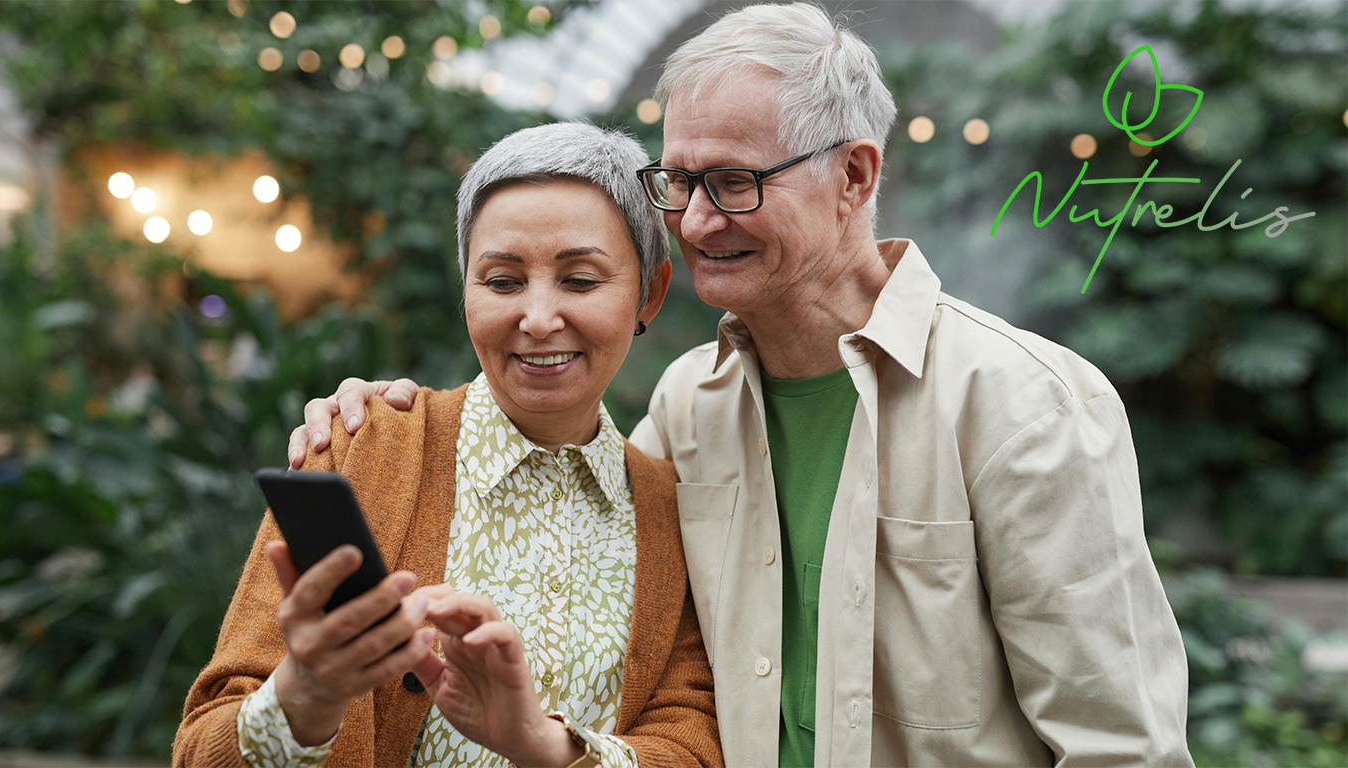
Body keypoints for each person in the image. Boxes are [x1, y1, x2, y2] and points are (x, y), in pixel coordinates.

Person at [290, 4, 1196, 767]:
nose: (694, 219)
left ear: (854, 175)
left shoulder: (1023, 403)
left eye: (732, 182)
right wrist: (393, 418)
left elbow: (1121, 748)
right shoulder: (686, 409)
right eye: (678, 182)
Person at [175, 122, 723, 768]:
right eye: (502, 281)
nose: (539, 319)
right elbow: (201, 749)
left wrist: (542, 745)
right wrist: (306, 695)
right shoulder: (364, 450)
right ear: (465, 289)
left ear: (648, 294)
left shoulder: (670, 506)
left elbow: (692, 743)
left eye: (580, 280)